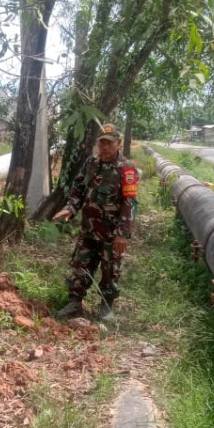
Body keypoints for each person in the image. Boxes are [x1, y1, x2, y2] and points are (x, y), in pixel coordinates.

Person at [52, 123, 138, 322]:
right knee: (81, 266)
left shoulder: (127, 170)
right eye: (102, 143)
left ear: (118, 143)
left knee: (110, 271)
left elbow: (129, 202)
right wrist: (71, 208)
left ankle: (106, 306)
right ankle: (74, 303)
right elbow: (78, 189)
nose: (105, 147)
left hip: (111, 234)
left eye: (109, 143)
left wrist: (122, 233)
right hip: (88, 230)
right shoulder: (91, 163)